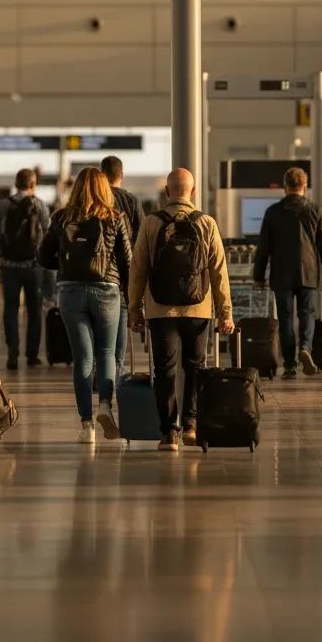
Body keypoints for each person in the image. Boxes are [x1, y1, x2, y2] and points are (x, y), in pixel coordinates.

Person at [129, 168, 233, 451]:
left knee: (164, 370)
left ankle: (168, 433)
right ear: (194, 192)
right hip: (198, 310)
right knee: (195, 368)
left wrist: (134, 308)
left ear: (167, 191)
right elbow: (218, 272)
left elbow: (137, 269)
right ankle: (190, 426)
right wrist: (226, 312)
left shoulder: (151, 223)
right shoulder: (206, 223)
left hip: (160, 309)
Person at [39, 167, 132, 445]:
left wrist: (67, 265)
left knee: (82, 359)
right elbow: (127, 262)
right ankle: (105, 404)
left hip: (70, 292)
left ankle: (86, 425)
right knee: (106, 353)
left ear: (76, 188)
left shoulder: (61, 218)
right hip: (107, 290)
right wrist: (132, 298)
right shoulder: (116, 218)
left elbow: (43, 257)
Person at [252, 166, 322, 379]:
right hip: (308, 272)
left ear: (284, 187)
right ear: (304, 187)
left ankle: (289, 364)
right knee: (307, 314)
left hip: (281, 274)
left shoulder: (273, 212)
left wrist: (258, 276)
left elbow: (264, 247)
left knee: (286, 318)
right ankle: (305, 347)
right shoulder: (314, 210)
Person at [0, 169, 50, 370]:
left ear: (16, 184)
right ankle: (32, 355)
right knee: (34, 311)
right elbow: (47, 235)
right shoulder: (39, 205)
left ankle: (12, 353)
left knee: (10, 309)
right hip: (34, 267)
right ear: (33, 184)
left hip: (9, 266)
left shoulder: (3, 205)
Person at [101, 155, 143, 377]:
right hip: (124, 270)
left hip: (98, 271)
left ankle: (100, 370)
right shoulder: (131, 200)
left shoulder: (96, 198)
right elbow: (140, 237)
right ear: (121, 175)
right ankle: (116, 369)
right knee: (121, 316)